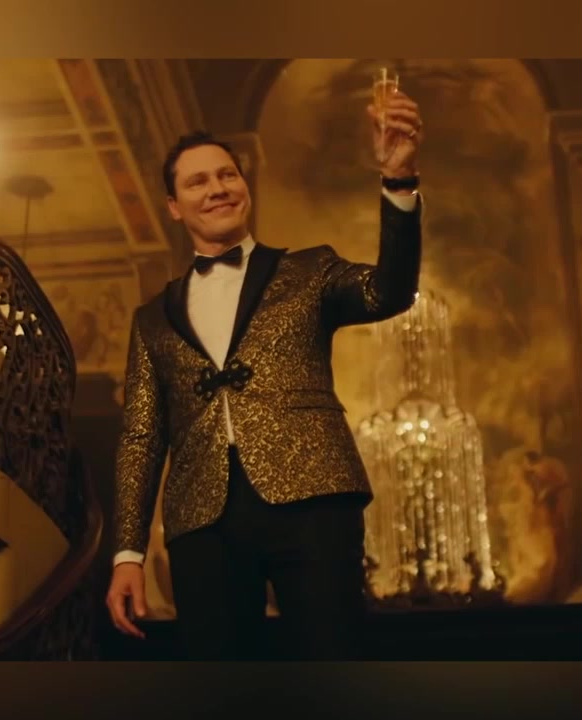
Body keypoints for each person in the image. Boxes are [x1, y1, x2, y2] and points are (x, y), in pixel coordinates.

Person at [105, 86, 426, 660]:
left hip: (314, 497)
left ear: (244, 186)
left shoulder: (310, 270)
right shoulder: (152, 319)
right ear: (174, 206)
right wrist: (127, 553)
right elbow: (140, 438)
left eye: (226, 175)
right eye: (197, 182)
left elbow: (390, 291)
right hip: (201, 521)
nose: (217, 188)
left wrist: (399, 180)